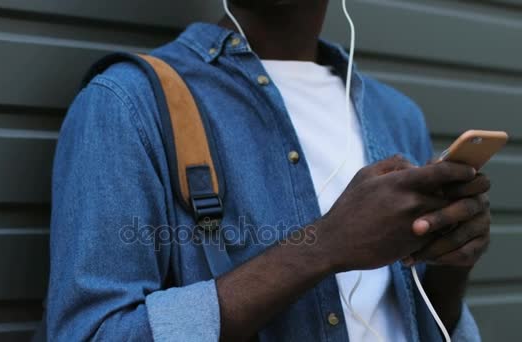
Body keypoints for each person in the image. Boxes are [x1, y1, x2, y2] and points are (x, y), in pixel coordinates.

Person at [46, 0, 491, 341]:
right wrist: (322, 246)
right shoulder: (127, 103)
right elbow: (94, 333)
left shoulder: (395, 116)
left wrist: (453, 264)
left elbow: (424, 322)